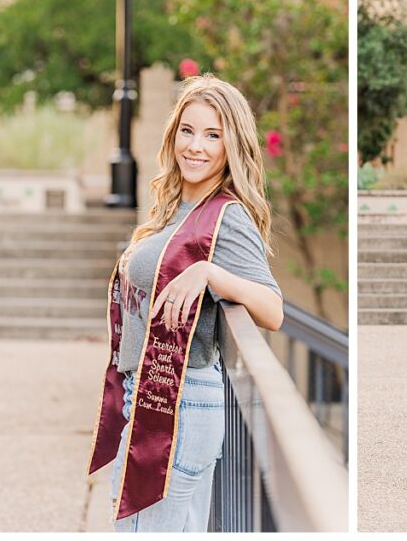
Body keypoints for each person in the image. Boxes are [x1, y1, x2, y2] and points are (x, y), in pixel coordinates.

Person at [87, 75, 284, 531]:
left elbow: (273, 310)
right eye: (187, 131)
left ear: (231, 145)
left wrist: (212, 273)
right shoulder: (178, 207)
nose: (196, 146)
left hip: (179, 405)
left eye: (213, 135)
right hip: (156, 398)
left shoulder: (226, 216)